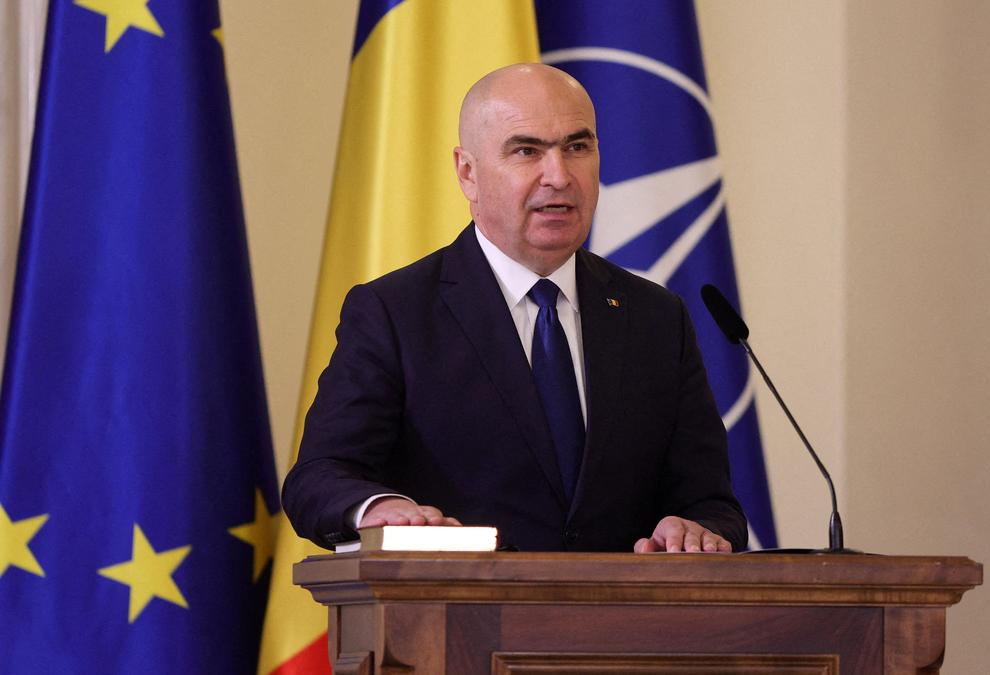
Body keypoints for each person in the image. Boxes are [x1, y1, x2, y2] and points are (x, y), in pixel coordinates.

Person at [282, 63, 746, 554]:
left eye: (577, 147)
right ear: (468, 173)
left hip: (621, 605)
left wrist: (696, 528)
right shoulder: (395, 313)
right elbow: (318, 477)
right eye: (527, 151)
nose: (559, 176)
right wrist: (380, 509)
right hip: (456, 601)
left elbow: (713, 504)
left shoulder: (655, 316)